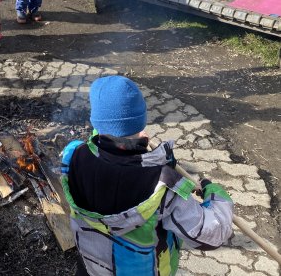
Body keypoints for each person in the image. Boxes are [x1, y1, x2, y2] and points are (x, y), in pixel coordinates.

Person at [61, 75, 233, 276]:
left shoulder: (72, 155)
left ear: (97, 121)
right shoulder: (162, 183)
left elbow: (100, 148)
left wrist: (131, 142)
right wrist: (216, 196)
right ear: (140, 121)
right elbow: (209, 234)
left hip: (93, 268)